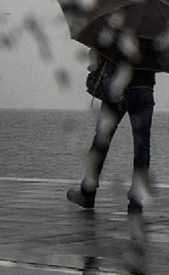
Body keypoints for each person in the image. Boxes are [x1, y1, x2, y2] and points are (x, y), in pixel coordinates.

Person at [67, 48, 156, 212]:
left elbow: (101, 51)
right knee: (142, 145)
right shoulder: (157, 29)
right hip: (144, 89)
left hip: (117, 88)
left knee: (101, 141)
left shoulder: (119, 24)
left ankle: (88, 192)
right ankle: (136, 197)